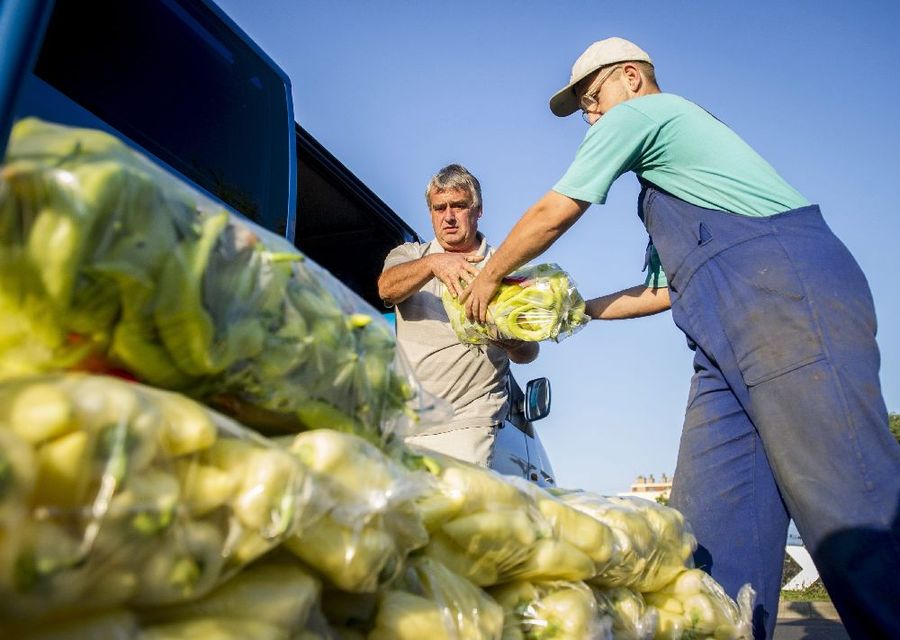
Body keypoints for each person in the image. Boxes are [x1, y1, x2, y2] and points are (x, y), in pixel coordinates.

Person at [460, 37, 900, 639]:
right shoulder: (667, 187)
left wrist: (488, 278)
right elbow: (664, 291)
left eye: (594, 98)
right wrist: (568, 310)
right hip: (720, 335)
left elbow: (556, 211)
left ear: (632, 78)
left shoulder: (646, 114)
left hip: (785, 295)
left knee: (848, 502)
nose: (591, 115)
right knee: (712, 537)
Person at [378, 163, 539, 467]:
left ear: (478, 210)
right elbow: (387, 289)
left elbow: (529, 352)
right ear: (431, 213)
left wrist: (508, 339)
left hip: (470, 421)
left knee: (454, 509)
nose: (448, 216)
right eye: (440, 208)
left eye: (459, 206)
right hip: (406, 419)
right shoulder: (410, 256)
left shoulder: (505, 269)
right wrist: (434, 264)